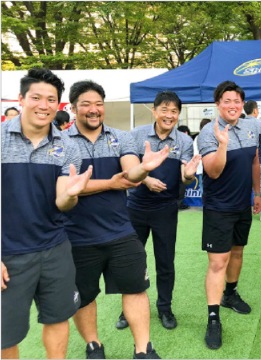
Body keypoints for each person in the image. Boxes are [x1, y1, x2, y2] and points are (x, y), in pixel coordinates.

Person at [65, 80, 167, 359]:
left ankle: (143, 349)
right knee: (84, 296)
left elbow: (129, 176)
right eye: (86, 104)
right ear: (73, 108)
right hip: (76, 236)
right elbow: (64, 189)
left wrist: (143, 169)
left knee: (135, 289)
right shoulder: (61, 142)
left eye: (99, 104)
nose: (94, 110)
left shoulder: (121, 138)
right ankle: (93, 345)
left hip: (121, 232)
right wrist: (109, 183)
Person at [1, 68, 92, 359]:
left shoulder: (67, 147)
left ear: (59, 105)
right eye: (36, 97)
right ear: (21, 99)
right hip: (9, 254)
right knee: (5, 335)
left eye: (51, 99)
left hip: (55, 249)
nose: (44, 105)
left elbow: (63, 202)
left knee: (57, 318)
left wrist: (70, 194)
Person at [114, 91, 200, 331]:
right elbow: (128, 168)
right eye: (164, 109)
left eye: (174, 111)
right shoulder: (137, 135)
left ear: (178, 114)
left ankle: (165, 307)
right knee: (132, 260)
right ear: (154, 111)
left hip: (166, 209)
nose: (169, 115)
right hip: (136, 207)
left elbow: (184, 177)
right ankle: (127, 309)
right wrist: (146, 179)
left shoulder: (183, 141)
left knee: (165, 262)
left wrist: (190, 174)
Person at [197, 80, 261, 350]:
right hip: (218, 208)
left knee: (237, 252)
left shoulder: (251, 127)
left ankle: (230, 294)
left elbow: (255, 160)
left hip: (241, 206)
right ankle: (213, 317)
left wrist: (257, 193)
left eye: (237, 101)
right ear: (218, 104)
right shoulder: (207, 133)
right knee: (217, 263)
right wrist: (222, 145)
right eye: (227, 101)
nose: (233, 106)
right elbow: (212, 171)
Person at [194, 118, 212, 195]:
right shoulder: (211, 137)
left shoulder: (196, 138)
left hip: (201, 167)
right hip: (209, 166)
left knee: (203, 187)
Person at [176, 125, 193, 210]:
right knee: (182, 185)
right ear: (186, 133)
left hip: (174, 165)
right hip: (183, 165)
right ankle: (179, 203)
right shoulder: (187, 141)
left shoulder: (174, 140)